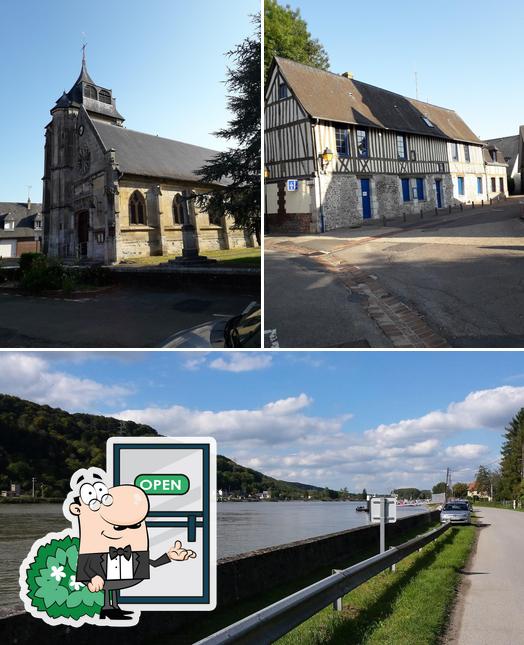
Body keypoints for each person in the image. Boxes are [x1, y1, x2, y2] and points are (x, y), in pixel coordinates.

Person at [69, 472, 196, 621]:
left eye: (135, 525)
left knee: (114, 588)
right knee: (109, 587)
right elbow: (85, 566)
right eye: (118, 527)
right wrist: (93, 577)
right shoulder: (92, 552)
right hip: (103, 578)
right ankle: (106, 608)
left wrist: (169, 556)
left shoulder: (134, 553)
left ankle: (114, 607)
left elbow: (152, 563)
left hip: (121, 576)